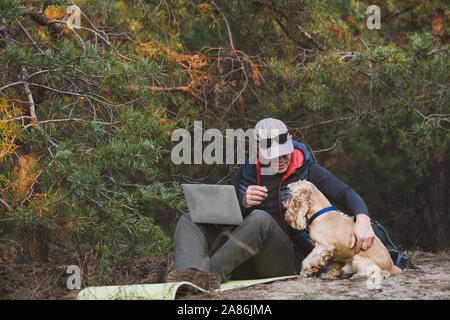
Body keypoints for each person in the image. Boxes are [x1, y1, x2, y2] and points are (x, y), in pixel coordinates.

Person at [167, 118, 409, 290]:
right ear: (257, 150)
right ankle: (189, 278)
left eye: (284, 152)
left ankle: (204, 278)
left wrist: (363, 219)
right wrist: (242, 202)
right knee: (188, 219)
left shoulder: (306, 168)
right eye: (272, 155)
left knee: (260, 220)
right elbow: (230, 216)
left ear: (290, 140)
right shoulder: (247, 171)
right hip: (246, 254)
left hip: (286, 258)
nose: (281, 160)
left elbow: (345, 193)